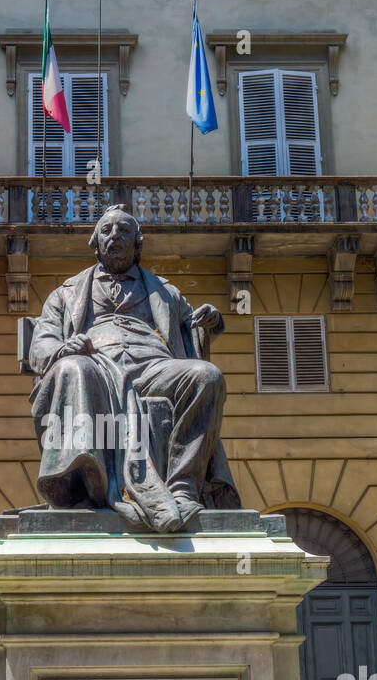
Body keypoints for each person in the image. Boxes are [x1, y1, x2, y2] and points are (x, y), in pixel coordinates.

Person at [28, 204, 240, 532]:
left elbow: (191, 328)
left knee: (206, 376)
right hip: (97, 368)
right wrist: (61, 349)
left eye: (125, 231)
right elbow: (41, 345)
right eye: (107, 230)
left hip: (154, 367)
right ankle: (90, 484)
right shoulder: (65, 294)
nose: (115, 236)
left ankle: (183, 487)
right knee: (74, 368)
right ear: (95, 243)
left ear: (138, 243)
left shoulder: (166, 292)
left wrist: (209, 322)